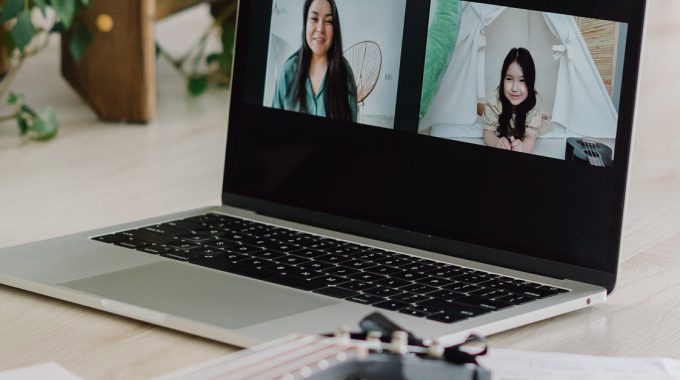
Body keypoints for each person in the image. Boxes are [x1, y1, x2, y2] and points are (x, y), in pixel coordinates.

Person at [272, 0, 358, 122]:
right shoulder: (288, 71)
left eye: (328, 21)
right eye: (314, 18)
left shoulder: (345, 73)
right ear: (305, 23)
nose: (320, 29)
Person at [482, 47, 543, 153]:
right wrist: (496, 142)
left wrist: (523, 147)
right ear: (502, 78)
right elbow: (488, 132)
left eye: (522, 80)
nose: (515, 88)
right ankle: (478, 106)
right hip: (497, 113)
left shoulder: (534, 102)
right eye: (509, 79)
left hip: (527, 118)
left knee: (540, 120)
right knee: (482, 110)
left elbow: (530, 137)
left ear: (531, 81)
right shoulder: (495, 99)